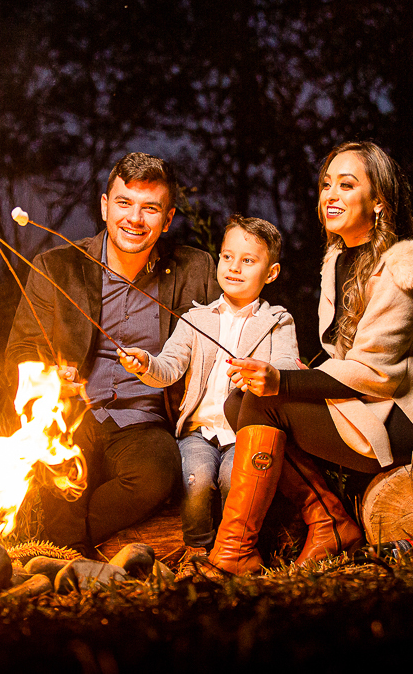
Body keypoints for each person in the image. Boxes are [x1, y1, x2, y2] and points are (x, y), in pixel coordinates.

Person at [210, 141, 413, 575]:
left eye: (347, 184)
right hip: (372, 400)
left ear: (379, 200)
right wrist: (301, 374)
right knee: (238, 399)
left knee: (265, 399)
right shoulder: (339, 258)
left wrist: (285, 381)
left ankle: (235, 553)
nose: (331, 195)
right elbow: (347, 356)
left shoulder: (408, 266)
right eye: (326, 185)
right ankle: (328, 521)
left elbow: (376, 371)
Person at [5, 153, 220, 557]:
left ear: (168, 218)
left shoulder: (195, 270)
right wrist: (48, 376)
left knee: (157, 476)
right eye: (124, 203)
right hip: (73, 414)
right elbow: (19, 349)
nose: (135, 219)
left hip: (145, 422)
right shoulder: (57, 267)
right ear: (105, 206)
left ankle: (61, 547)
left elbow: (232, 329)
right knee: (57, 460)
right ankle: (70, 562)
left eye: (150, 208)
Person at [119, 215, 303, 561]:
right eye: (227, 256)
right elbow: (169, 366)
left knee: (235, 480)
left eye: (248, 261)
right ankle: (197, 551)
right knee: (198, 479)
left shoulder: (278, 320)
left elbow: (288, 366)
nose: (234, 267)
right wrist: (146, 363)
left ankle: (238, 550)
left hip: (245, 432)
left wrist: (265, 373)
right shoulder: (195, 318)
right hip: (199, 432)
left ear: (272, 273)